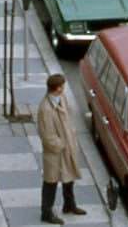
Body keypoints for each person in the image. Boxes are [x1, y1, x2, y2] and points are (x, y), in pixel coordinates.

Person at [37, 73, 88, 221]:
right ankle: (46, 212)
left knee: (69, 177)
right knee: (51, 181)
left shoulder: (62, 98)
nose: (64, 88)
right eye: (62, 86)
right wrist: (61, 144)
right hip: (55, 152)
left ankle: (69, 204)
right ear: (58, 88)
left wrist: (71, 137)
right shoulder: (45, 108)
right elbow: (47, 135)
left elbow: (68, 117)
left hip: (67, 146)